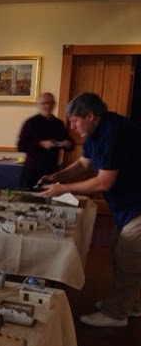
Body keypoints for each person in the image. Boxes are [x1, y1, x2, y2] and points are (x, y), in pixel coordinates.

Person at [39, 92, 141, 327]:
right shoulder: (96, 131)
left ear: (90, 116)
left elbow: (104, 182)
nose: (72, 127)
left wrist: (62, 188)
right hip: (128, 205)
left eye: (75, 121)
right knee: (120, 251)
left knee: (128, 255)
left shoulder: (113, 132)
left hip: (136, 203)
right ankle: (131, 305)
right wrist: (57, 177)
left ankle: (117, 314)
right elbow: (84, 164)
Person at [16, 92, 74, 189]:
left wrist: (67, 144)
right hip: (32, 170)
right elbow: (21, 146)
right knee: (29, 196)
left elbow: (69, 145)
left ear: (54, 104)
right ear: (39, 105)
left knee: (52, 197)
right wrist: (41, 144)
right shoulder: (31, 123)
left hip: (52, 170)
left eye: (50, 103)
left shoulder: (58, 123)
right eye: (44, 103)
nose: (48, 106)